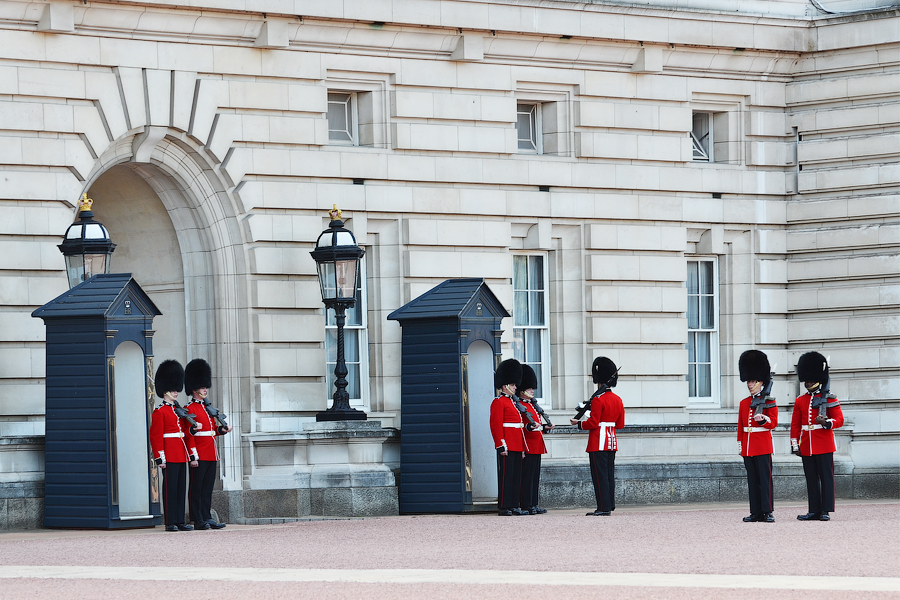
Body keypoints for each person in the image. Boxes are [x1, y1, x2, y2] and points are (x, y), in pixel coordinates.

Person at [791, 351, 844, 522]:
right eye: (806, 379)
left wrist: (827, 422)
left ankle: (825, 510)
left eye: (811, 379)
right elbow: (796, 425)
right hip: (806, 444)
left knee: (826, 478)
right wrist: (795, 444)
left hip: (824, 444)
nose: (808, 382)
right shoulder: (800, 400)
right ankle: (813, 510)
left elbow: (840, 420)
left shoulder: (829, 398)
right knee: (811, 479)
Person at [570, 356, 624, 516]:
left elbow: (593, 423)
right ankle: (609, 504)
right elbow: (620, 425)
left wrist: (578, 423)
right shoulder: (618, 400)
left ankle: (603, 508)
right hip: (611, 441)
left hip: (598, 441)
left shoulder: (598, 400)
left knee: (599, 476)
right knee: (608, 475)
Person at [150, 359, 198, 532]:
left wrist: (192, 428)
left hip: (181, 453)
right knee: (170, 489)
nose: (176, 392)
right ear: (165, 391)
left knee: (180, 488)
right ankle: (170, 521)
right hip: (169, 454)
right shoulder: (160, 411)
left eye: (176, 389)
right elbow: (156, 437)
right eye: (173, 390)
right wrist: (160, 458)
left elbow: (184, 433)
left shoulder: (178, 412)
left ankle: (179, 520)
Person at [184, 358, 232, 530]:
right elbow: (189, 436)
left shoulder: (207, 408)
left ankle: (206, 516)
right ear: (195, 389)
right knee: (196, 488)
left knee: (207, 488)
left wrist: (222, 430)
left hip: (211, 453)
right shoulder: (189, 409)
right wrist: (193, 456)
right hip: (199, 454)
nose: (205, 389)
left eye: (205, 386)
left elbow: (211, 431)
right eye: (203, 387)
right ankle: (197, 519)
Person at [737, 350, 778, 523]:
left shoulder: (769, 401)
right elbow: (741, 427)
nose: (750, 384)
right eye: (748, 381)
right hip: (748, 446)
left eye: (753, 381)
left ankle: (767, 511)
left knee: (765, 479)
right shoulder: (744, 403)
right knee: (752, 480)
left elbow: (773, 423)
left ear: (760, 382)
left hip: (762, 445)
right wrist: (741, 446)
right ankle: (755, 511)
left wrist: (763, 420)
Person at [489, 358, 529, 516]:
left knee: (515, 477)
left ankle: (514, 505)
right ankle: (504, 506)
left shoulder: (514, 403)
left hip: (517, 445)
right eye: (513, 385)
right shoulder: (498, 402)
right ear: (505, 385)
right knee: (506, 476)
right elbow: (496, 425)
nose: (515, 387)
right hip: (507, 444)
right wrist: (500, 444)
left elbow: (519, 426)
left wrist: (523, 448)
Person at [519, 364, 551, 515]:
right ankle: (526, 504)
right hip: (528, 445)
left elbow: (536, 426)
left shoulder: (531, 405)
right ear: (522, 390)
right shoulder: (520, 406)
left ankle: (533, 503)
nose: (532, 390)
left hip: (536, 445)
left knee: (534, 477)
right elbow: (522, 426)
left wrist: (545, 428)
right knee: (527, 478)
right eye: (530, 388)